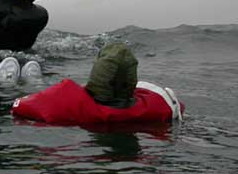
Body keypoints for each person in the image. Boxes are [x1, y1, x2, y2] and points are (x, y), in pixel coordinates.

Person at [10, 42, 184, 124]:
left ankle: (11, 83)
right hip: (123, 118)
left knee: (25, 94)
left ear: (96, 72)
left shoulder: (65, 100)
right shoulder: (159, 108)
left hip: (59, 111)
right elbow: (178, 108)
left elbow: (18, 108)